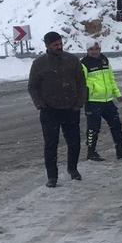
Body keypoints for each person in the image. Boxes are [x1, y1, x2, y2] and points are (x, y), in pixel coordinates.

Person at [28, 31, 87, 188]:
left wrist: (79, 103)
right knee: (51, 145)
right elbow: (33, 87)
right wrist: (40, 104)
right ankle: (52, 177)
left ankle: (73, 169)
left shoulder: (72, 60)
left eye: (60, 44)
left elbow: (81, 83)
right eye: (55, 45)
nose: (59, 47)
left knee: (74, 142)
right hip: (49, 111)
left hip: (71, 109)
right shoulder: (39, 64)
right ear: (47, 46)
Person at [81, 41, 122, 161]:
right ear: (87, 50)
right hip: (93, 100)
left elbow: (111, 79)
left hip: (107, 100)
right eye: (91, 49)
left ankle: (120, 149)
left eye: (96, 49)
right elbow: (81, 83)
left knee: (116, 124)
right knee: (93, 128)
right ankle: (91, 152)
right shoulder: (84, 64)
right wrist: (86, 97)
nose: (94, 51)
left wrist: (117, 94)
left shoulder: (104, 60)